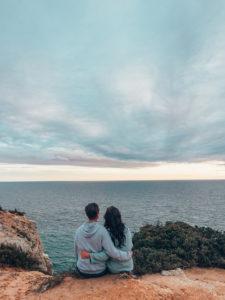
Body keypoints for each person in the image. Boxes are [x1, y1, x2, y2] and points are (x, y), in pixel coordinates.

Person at [74, 203, 132, 278]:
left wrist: (80, 263)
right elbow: (110, 253)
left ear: (86, 214)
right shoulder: (103, 231)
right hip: (99, 271)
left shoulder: (78, 231)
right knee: (106, 255)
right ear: (98, 214)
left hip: (82, 270)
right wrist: (127, 255)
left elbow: (76, 251)